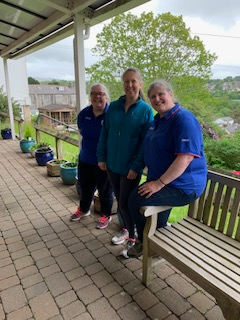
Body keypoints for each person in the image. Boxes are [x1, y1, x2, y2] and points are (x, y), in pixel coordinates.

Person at [128, 79, 207, 257]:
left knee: (135, 200)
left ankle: (144, 243)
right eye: (152, 97)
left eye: (160, 94)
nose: (157, 99)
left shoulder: (184, 119)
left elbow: (185, 158)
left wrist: (159, 183)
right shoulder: (157, 120)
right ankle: (157, 244)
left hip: (183, 186)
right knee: (155, 217)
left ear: (170, 94)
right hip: (165, 182)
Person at [97, 67, 154, 256]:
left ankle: (133, 237)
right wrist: (101, 157)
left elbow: (145, 143)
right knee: (121, 202)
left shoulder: (146, 111)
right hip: (112, 164)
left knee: (126, 204)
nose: (129, 85)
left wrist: (136, 166)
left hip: (130, 168)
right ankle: (128, 231)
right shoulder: (113, 106)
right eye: (126, 81)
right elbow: (105, 133)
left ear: (140, 83)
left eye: (133, 81)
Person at [70, 84, 113, 229]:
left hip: (104, 162)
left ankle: (106, 215)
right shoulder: (84, 114)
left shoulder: (112, 114)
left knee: (105, 191)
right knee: (85, 187)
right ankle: (84, 209)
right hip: (85, 159)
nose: (97, 97)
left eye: (100, 93)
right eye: (94, 94)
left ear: (106, 96)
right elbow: (81, 131)